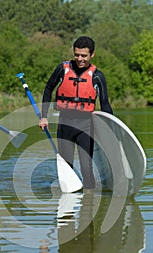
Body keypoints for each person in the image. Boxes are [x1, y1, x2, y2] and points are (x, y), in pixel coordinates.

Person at [39, 36, 113, 189]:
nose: (80, 59)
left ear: (92, 55)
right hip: (65, 123)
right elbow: (48, 89)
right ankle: (68, 205)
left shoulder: (98, 76)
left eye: (84, 56)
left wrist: (111, 128)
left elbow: (105, 104)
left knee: (86, 168)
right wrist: (44, 116)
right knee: (66, 165)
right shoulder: (62, 69)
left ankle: (89, 201)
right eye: (77, 54)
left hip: (86, 125)